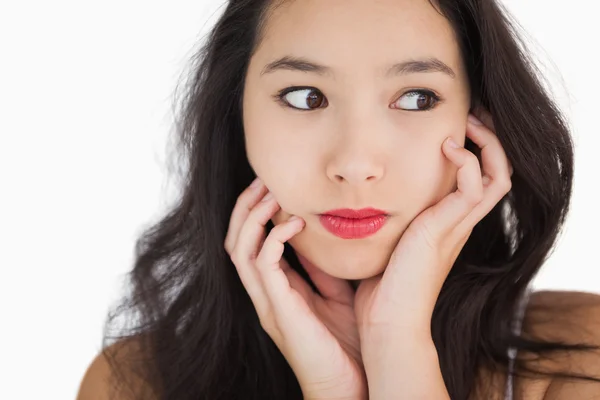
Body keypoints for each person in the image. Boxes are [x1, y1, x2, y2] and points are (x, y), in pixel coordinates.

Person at [76, 0, 600, 398]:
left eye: (417, 98)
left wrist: (399, 350)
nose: (354, 165)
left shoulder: (583, 360)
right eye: (305, 97)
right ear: (237, 118)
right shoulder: (132, 384)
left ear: (479, 121)